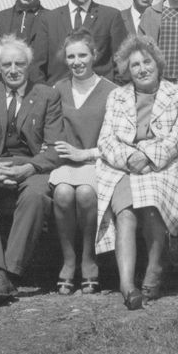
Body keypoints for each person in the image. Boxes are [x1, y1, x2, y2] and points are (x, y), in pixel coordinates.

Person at [0, 36, 62, 306]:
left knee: (36, 196)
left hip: (31, 165)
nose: (13, 69)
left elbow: (54, 147)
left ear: (28, 66)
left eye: (19, 63)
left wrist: (30, 167)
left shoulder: (47, 95)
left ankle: (10, 272)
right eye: (7, 64)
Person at [95, 35, 178, 310]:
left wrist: (148, 156)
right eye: (134, 64)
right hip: (122, 165)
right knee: (124, 214)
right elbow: (106, 140)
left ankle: (154, 267)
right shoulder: (117, 96)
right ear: (127, 70)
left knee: (150, 205)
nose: (142, 68)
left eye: (146, 61)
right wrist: (129, 158)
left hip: (160, 164)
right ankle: (127, 285)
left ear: (157, 63)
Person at [49, 30, 118, 295]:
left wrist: (86, 154)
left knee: (87, 194)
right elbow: (51, 131)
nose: (77, 62)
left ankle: (89, 257)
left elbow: (117, 140)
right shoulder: (58, 89)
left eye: (82, 55)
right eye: (71, 56)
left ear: (94, 56)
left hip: (96, 162)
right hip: (64, 164)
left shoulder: (111, 91)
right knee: (64, 193)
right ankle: (69, 259)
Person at [31, 0, 128, 84]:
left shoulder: (111, 16)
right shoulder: (48, 19)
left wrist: (113, 95)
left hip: (98, 98)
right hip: (58, 98)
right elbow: (37, 66)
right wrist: (46, 97)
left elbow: (122, 63)